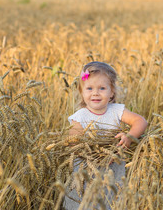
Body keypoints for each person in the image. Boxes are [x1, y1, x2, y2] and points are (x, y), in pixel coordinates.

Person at [63, 61, 148, 209]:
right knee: (84, 203)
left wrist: (129, 136)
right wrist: (91, 150)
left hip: (112, 169)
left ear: (112, 92)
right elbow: (74, 143)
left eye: (102, 88)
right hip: (86, 171)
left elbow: (140, 121)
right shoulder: (80, 116)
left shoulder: (116, 110)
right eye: (89, 88)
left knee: (111, 202)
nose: (95, 93)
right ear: (82, 92)